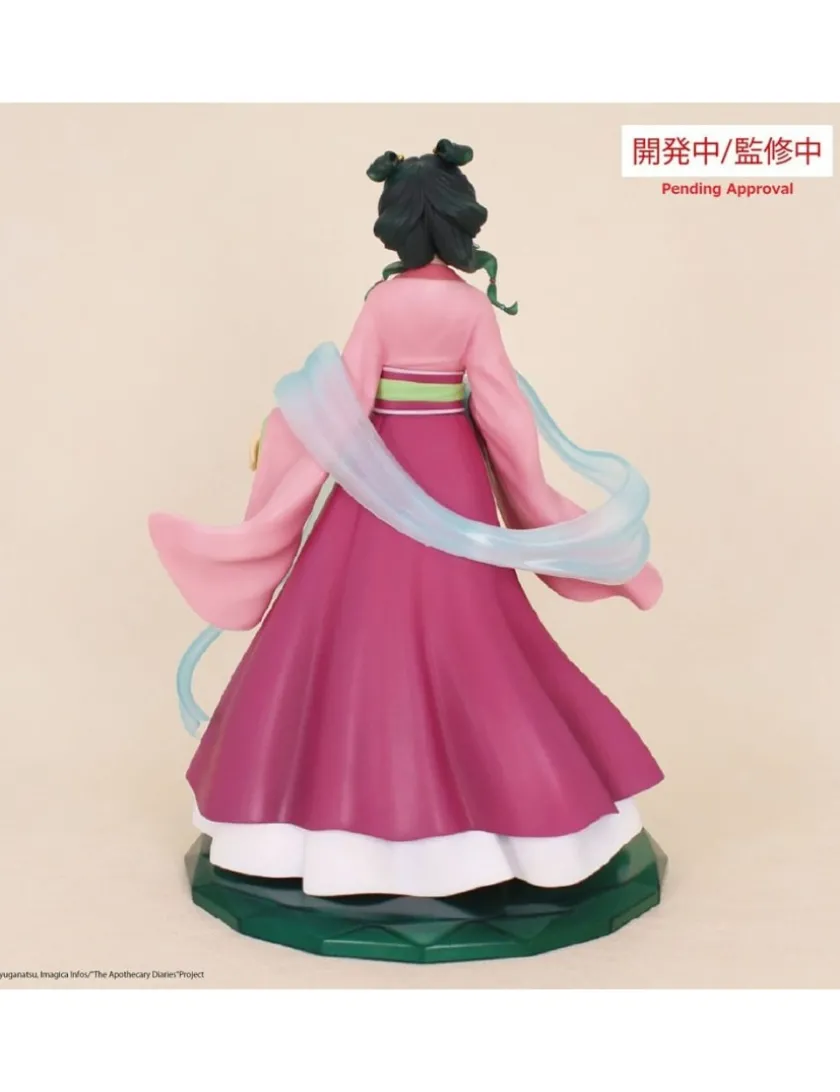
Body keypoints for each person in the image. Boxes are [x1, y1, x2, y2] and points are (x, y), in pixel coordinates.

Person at [149, 138, 664, 900]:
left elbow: (345, 397)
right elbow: (502, 411)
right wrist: (533, 501)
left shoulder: (385, 305)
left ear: (396, 225)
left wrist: (286, 434)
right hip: (449, 474)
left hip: (379, 474)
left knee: (351, 627)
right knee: (475, 630)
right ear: (458, 222)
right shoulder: (469, 307)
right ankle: (526, 825)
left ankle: (317, 827)